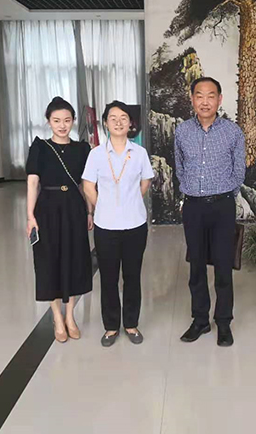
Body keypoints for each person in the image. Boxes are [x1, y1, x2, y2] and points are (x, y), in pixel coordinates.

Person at [174, 77, 246, 347]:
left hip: (222, 205)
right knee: (196, 266)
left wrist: (224, 194)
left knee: (223, 266)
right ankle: (200, 320)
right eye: (199, 95)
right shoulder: (182, 131)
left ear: (219, 99)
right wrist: (192, 190)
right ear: (192, 98)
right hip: (193, 206)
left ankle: (224, 322)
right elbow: (179, 167)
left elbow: (239, 171)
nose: (205, 101)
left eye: (211, 96)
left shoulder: (232, 132)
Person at [82, 101, 154, 347]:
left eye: (124, 117)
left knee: (132, 276)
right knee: (109, 278)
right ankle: (111, 326)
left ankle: (131, 324)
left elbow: (145, 182)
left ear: (130, 123)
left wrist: (130, 202)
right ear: (105, 123)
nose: (119, 122)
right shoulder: (96, 154)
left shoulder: (139, 153)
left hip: (135, 224)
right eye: (113, 118)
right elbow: (88, 186)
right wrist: (104, 205)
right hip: (105, 226)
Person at [26, 97, 94, 343]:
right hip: (47, 208)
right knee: (49, 260)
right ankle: (57, 316)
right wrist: (30, 216)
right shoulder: (40, 147)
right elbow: (33, 182)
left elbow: (85, 184)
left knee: (76, 259)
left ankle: (70, 315)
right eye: (56, 121)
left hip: (74, 208)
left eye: (66, 120)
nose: (62, 125)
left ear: (73, 121)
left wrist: (89, 212)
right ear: (48, 122)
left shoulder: (82, 149)